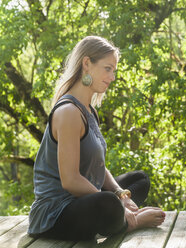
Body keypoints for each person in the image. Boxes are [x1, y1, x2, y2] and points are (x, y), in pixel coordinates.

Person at [28, 36, 165, 241]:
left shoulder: (89, 110)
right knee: (107, 203)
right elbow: (71, 180)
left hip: (84, 201)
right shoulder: (68, 112)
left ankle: (119, 216)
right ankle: (130, 221)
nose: (112, 77)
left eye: (114, 71)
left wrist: (121, 195)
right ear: (86, 64)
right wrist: (117, 204)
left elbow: (99, 167)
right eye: (107, 68)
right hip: (55, 214)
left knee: (139, 180)